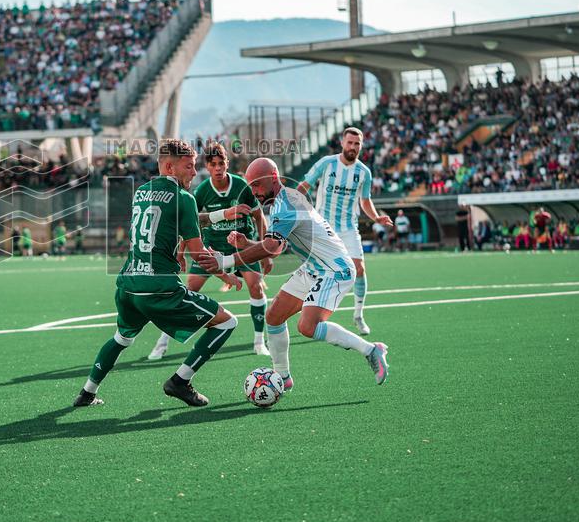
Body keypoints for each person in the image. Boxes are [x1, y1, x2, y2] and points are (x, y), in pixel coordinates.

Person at [73, 139, 243, 408]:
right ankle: (180, 381)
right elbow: (199, 253)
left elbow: (166, 219)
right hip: (159, 288)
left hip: (128, 284)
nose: (193, 172)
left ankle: (87, 392)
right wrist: (227, 273)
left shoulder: (141, 191)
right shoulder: (184, 198)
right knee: (227, 323)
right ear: (169, 167)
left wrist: (214, 220)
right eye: (188, 166)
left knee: (122, 338)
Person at [197, 157, 389, 392]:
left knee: (307, 327)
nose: (254, 191)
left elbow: (272, 248)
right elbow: (274, 247)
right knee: (274, 316)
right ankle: (283, 376)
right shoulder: (282, 200)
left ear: (274, 178)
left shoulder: (286, 203)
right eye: (251, 186)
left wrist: (225, 261)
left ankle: (371, 350)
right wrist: (247, 242)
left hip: (335, 270)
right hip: (314, 268)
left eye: (257, 185)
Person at [147, 141, 272, 360]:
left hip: (241, 246)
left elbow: (258, 217)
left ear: (227, 163)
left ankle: (259, 341)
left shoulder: (242, 186)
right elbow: (191, 223)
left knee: (256, 287)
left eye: (221, 163)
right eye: (212, 164)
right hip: (211, 246)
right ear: (207, 165)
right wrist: (180, 252)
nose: (217, 168)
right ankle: (162, 342)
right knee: (188, 289)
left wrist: (265, 251)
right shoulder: (202, 190)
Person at [296, 127, 392, 335]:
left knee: (359, 269)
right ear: (342, 143)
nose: (353, 147)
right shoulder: (326, 163)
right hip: (323, 228)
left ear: (361, 146)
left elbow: (365, 200)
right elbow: (304, 185)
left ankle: (358, 315)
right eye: (349, 142)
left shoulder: (363, 172)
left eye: (357, 144)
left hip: (348, 228)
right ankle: (304, 312)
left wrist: (376, 217)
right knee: (313, 272)